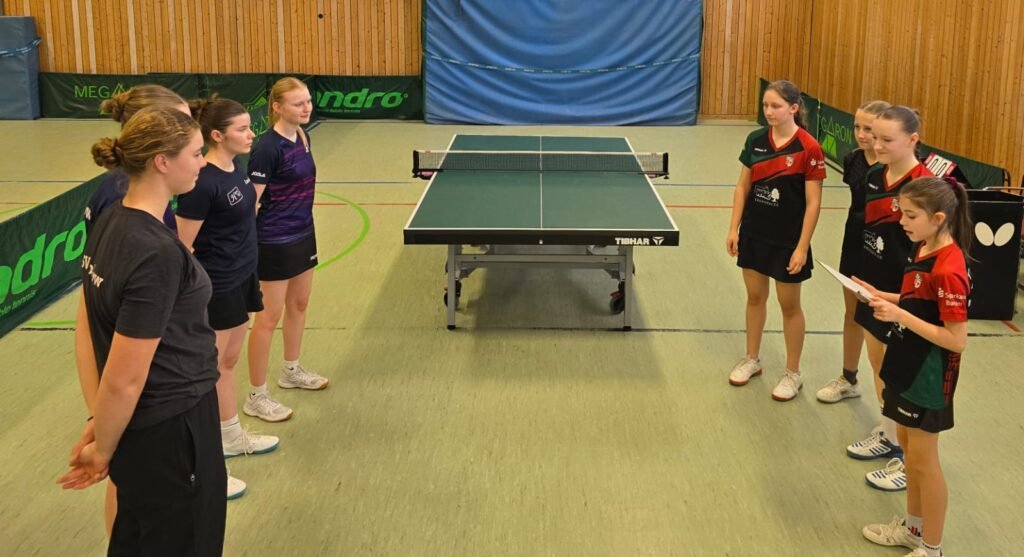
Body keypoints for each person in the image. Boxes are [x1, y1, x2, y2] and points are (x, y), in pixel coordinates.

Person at [57, 106, 226, 556]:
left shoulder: (111, 220)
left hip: (141, 429)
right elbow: (125, 376)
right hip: (174, 430)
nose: (203, 162)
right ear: (162, 161)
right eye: (196, 153)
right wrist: (102, 449)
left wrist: (101, 425)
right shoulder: (155, 252)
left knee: (134, 538)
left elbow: (91, 330)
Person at [857, 176, 971, 557]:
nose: (901, 221)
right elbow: (916, 299)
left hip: (928, 375)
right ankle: (913, 530)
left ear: (938, 218)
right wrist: (882, 296)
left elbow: (956, 339)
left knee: (924, 462)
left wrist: (899, 316)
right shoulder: (922, 247)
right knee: (907, 447)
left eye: (910, 215)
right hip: (905, 360)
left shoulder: (949, 268)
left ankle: (932, 548)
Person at [176, 97, 280, 497]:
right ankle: (205, 457)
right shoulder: (202, 184)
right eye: (242, 128)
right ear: (217, 135)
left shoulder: (236, 169)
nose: (252, 134)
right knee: (211, 367)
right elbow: (182, 246)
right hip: (217, 285)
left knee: (229, 361)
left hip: (242, 276)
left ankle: (230, 435)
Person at [847, 107, 934, 491]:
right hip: (873, 284)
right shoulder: (873, 176)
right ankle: (890, 434)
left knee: (902, 376)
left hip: (906, 294)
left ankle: (908, 457)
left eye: (886, 139)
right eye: (874, 137)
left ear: (913, 140)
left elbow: (936, 251)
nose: (876, 144)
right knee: (879, 364)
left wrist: (910, 297)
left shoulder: (927, 187)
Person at [725, 79, 827, 401]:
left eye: (776, 106)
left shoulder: (809, 147)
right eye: (765, 106)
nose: (769, 111)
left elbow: (813, 203)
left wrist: (801, 247)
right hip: (755, 233)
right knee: (755, 297)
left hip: (788, 241)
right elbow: (743, 186)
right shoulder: (755, 140)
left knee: (789, 306)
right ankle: (752, 359)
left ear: (794, 108)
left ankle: (793, 373)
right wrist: (734, 228)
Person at [245, 77, 328, 424]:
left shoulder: (303, 136)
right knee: (268, 318)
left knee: (300, 304)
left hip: (303, 232)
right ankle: (256, 395)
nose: (306, 108)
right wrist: (244, 247)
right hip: (273, 240)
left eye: (308, 101)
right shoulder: (267, 148)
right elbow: (251, 202)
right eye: (298, 103)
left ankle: (291, 371)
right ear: (277, 107)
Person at [817, 100, 891, 403]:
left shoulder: (893, 167)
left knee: (883, 322)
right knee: (853, 314)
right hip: (854, 243)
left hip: (886, 250)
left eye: (869, 129)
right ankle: (849, 378)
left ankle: (891, 399)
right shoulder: (853, 160)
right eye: (857, 127)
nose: (861, 134)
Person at [86, 85, 186, 233]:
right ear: (151, 131)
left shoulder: (147, 183)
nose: (191, 133)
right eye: (182, 127)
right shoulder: (123, 196)